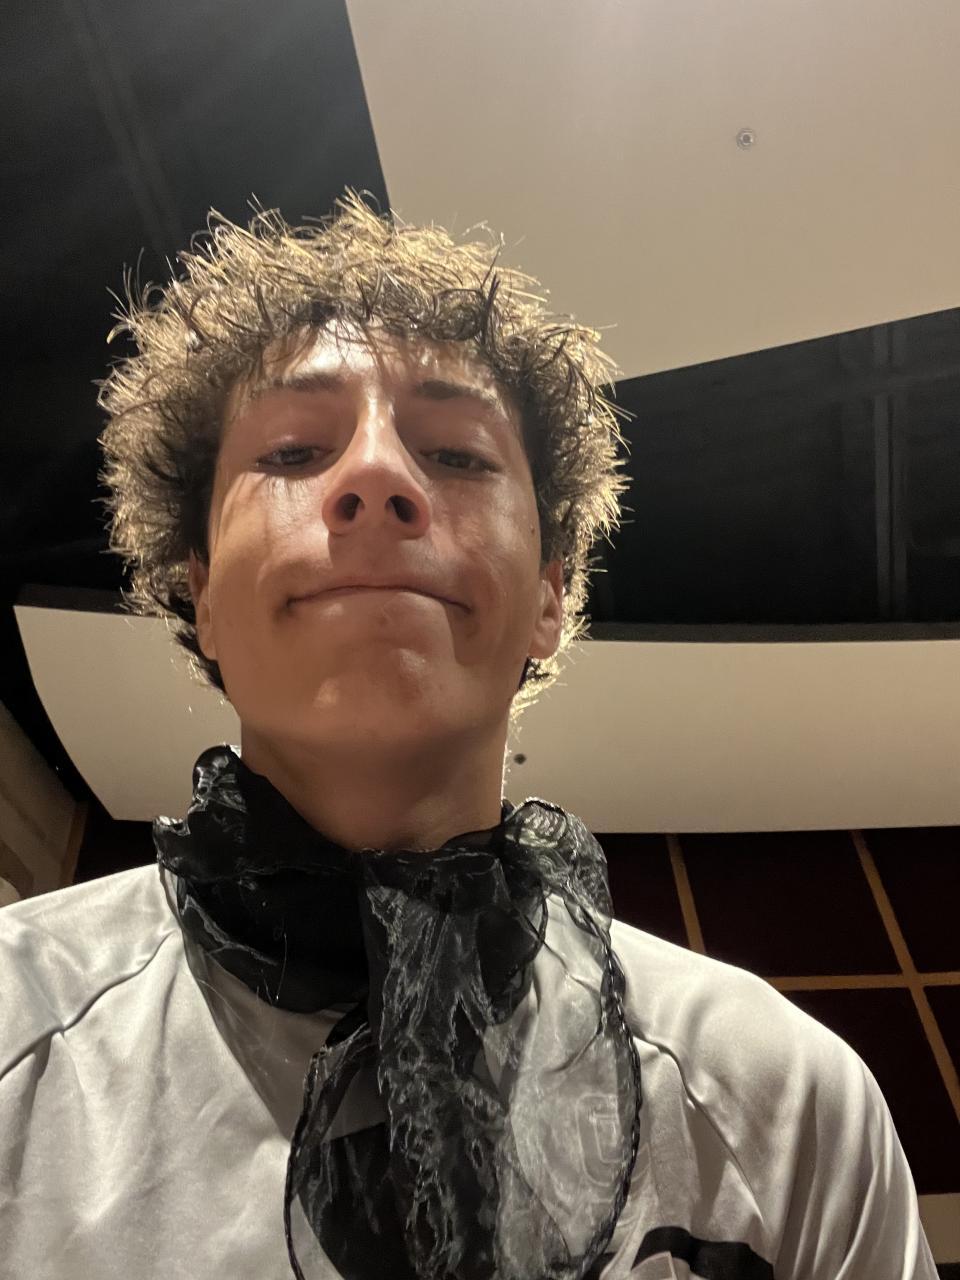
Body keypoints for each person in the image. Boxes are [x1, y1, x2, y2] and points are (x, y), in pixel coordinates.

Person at [0, 191, 938, 1280]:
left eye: (456, 455)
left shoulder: (785, 1105)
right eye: (295, 450)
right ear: (200, 595)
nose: (376, 477)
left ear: (549, 596)